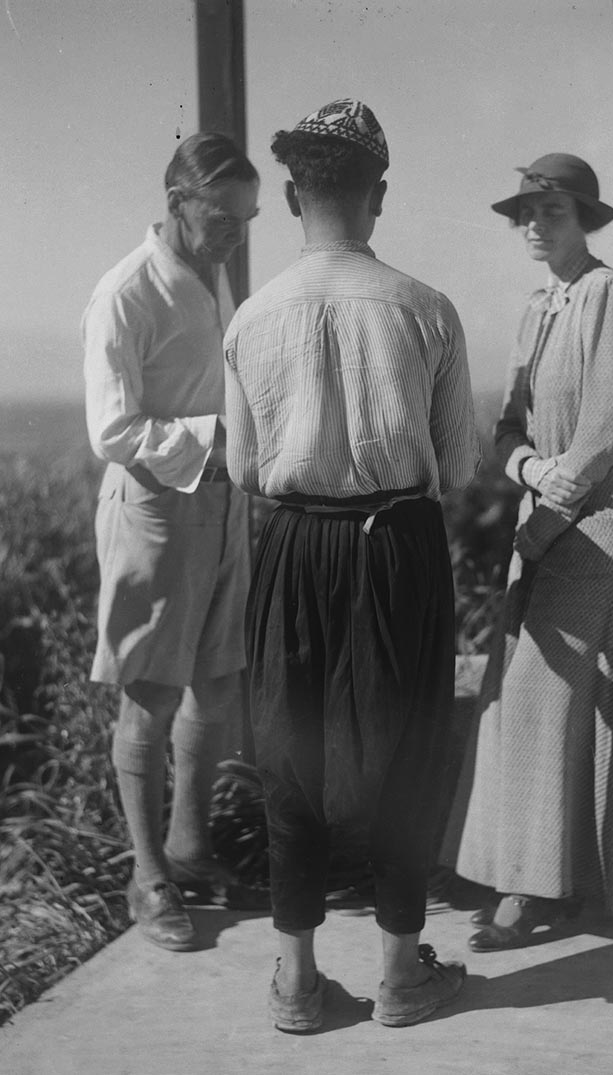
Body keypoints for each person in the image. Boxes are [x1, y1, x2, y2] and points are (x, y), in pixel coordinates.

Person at [223, 99, 480, 1031]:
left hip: (291, 543)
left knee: (289, 745)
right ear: (378, 195)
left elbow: (246, 468)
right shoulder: (427, 308)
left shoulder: (250, 317)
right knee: (407, 743)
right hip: (397, 543)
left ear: (292, 194)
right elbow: (457, 464)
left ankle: (295, 981)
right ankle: (401, 975)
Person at [448, 153, 613, 951]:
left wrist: (544, 505)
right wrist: (529, 473)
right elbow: (505, 430)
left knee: (544, 702)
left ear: (584, 220)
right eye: (526, 214)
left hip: (597, 531)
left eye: (553, 212)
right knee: (522, 702)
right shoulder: (538, 307)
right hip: (545, 519)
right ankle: (532, 876)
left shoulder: (609, 295)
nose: (535, 226)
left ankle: (527, 891)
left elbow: (603, 433)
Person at [83, 132, 260, 952]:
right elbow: (111, 428)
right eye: (222, 217)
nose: (235, 233)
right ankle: (146, 876)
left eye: (245, 219)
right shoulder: (124, 291)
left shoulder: (211, 271)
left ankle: (190, 846)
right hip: (155, 508)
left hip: (219, 503)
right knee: (149, 693)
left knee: (216, 679)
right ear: (176, 201)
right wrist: (217, 437)